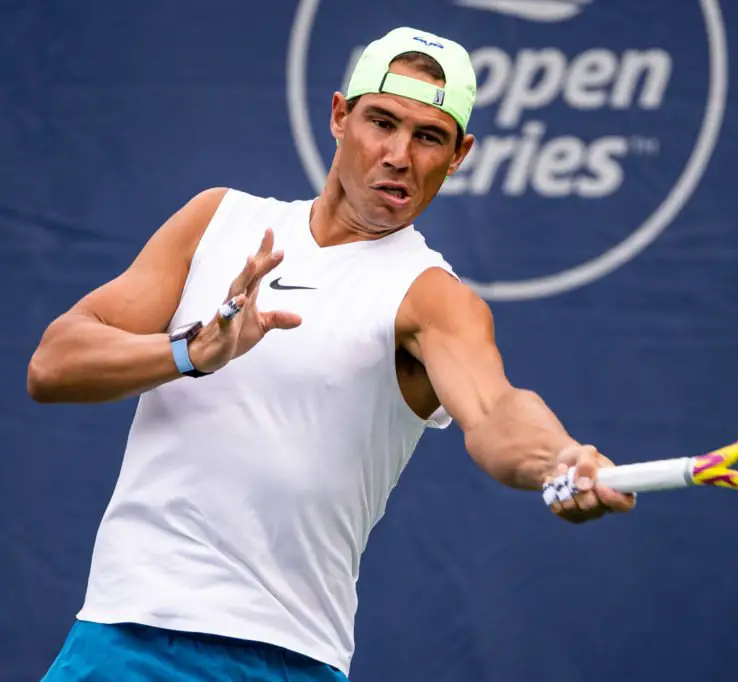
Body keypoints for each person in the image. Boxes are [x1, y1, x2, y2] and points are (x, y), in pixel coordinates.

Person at [27, 26, 636, 682]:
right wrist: (191, 351)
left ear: (459, 154)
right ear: (340, 116)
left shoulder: (432, 297)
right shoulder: (218, 221)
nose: (398, 155)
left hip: (282, 657)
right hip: (123, 635)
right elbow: (54, 365)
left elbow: (495, 412)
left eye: (429, 137)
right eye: (382, 122)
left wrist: (558, 460)